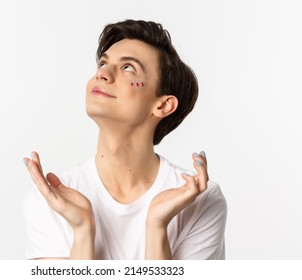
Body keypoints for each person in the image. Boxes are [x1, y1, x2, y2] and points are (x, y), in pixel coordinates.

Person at [22, 19, 227, 260]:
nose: (102, 73)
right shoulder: (51, 200)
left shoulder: (200, 201)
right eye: (102, 63)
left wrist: (157, 226)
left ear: (162, 105)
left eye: (128, 67)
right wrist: (83, 230)